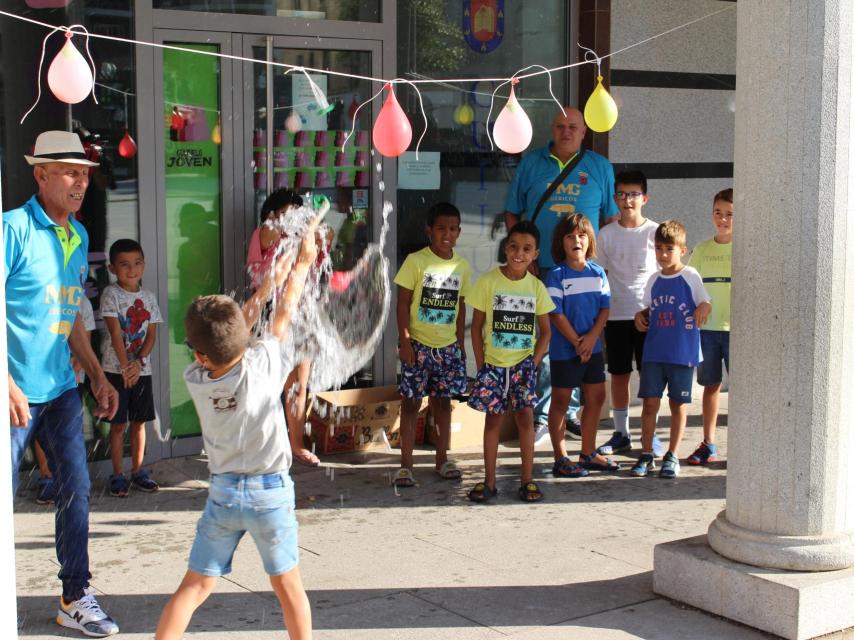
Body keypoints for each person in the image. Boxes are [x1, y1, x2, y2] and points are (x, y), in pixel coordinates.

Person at [155, 211, 320, 640]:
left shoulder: (196, 380)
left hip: (224, 493)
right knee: (289, 589)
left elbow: (234, 333)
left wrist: (264, 286)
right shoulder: (264, 363)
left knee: (194, 586)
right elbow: (283, 311)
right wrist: (299, 264)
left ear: (198, 354)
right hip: (270, 494)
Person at [5, 130, 120, 636]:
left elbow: (72, 313)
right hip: (12, 392)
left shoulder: (78, 236)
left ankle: (75, 596)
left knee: (77, 490)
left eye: (86, 174)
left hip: (59, 391)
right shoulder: (11, 229)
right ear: (41, 175)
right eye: (70, 172)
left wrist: (97, 375)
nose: (81, 182)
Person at [503, 107, 619, 443]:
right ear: (551, 130)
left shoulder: (600, 167)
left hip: (585, 274)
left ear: (584, 132)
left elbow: (609, 221)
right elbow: (512, 212)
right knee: (549, 339)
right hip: (543, 271)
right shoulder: (532, 163)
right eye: (560, 126)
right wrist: (525, 257)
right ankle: (545, 413)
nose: (566, 132)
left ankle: (571, 413)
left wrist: (603, 269)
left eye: (573, 127)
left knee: (583, 338)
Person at [466, 221, 554, 503]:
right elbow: (476, 327)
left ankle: (527, 480)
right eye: (514, 246)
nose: (519, 253)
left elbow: (546, 332)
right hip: (493, 367)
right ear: (506, 248)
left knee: (525, 419)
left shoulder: (537, 287)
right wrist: (481, 366)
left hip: (522, 368)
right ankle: (489, 481)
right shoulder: (489, 282)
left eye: (526, 249)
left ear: (536, 254)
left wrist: (533, 363)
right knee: (493, 421)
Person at [393, 202, 471, 486]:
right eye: (441, 229)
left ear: (459, 232)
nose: (447, 234)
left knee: (442, 404)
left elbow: (461, 306)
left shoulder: (461, 266)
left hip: (447, 348)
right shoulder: (416, 262)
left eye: (452, 229)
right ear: (429, 231)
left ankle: (442, 460)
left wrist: (460, 343)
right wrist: (405, 341)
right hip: (418, 347)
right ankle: (406, 466)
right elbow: (402, 304)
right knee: (411, 404)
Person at [246, 188, 321, 467]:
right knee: (265, 384)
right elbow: (273, 233)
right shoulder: (264, 232)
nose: (295, 217)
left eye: (298, 211)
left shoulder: (302, 236)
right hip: (270, 312)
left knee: (298, 386)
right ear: (272, 212)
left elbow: (325, 244)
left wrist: (314, 231)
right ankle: (262, 444)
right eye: (290, 210)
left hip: (301, 311)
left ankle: (296, 445)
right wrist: (302, 227)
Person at [632, 221, 711, 479]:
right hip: (654, 352)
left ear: (682, 250)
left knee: (678, 404)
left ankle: (672, 455)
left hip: (682, 353)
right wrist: (640, 316)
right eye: (659, 248)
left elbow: (705, 302)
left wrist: (703, 308)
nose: (663, 254)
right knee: (650, 403)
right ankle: (646, 453)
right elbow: (648, 308)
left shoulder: (690, 276)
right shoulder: (654, 280)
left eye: (669, 248)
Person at [595, 170, 663, 457]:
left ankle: (651, 434)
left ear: (644, 198)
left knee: (651, 378)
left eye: (633, 194)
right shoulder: (606, 234)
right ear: (614, 198)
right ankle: (621, 433)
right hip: (616, 315)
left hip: (650, 316)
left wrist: (655, 310)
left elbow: (667, 273)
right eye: (621, 194)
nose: (627, 200)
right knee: (619, 374)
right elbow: (599, 275)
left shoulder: (656, 232)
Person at [545, 215, 617, 478]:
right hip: (566, 351)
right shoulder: (555, 276)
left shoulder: (598, 272)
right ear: (561, 242)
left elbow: (604, 309)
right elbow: (556, 314)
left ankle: (587, 453)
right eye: (570, 236)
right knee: (561, 402)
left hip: (593, 349)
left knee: (596, 397)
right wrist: (577, 341)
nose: (577, 240)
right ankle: (561, 457)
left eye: (582, 235)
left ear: (590, 240)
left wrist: (590, 340)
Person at [100, 238, 163, 496]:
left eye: (137, 263)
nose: (132, 269)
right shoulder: (110, 294)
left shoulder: (148, 297)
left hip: (141, 371)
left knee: (139, 423)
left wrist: (139, 363)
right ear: (112, 268)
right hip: (116, 371)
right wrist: (126, 367)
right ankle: (117, 475)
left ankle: (138, 471)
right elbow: (116, 335)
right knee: (118, 424)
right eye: (124, 264)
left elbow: (151, 335)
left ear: (144, 265)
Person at [34, 294, 97, 506]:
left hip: (70, 383)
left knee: (68, 437)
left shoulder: (82, 302)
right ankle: (46, 477)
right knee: (39, 430)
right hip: (38, 382)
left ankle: (69, 483)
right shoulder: (40, 293)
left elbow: (83, 341)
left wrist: (75, 373)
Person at [686, 188, 733, 465]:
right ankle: (708, 442)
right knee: (710, 385)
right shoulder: (702, 249)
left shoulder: (747, 247)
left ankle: (745, 445)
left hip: (738, 331)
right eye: (718, 213)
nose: (722, 219)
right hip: (707, 330)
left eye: (729, 214)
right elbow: (691, 287)